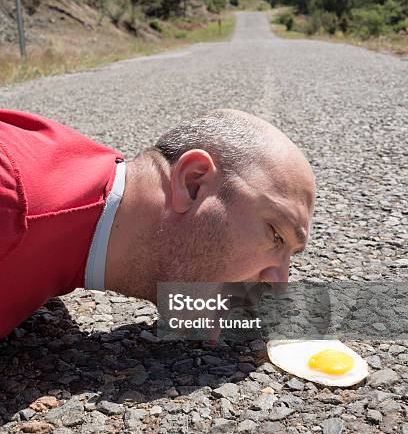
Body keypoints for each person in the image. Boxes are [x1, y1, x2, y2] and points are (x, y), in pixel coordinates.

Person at [0, 108, 315, 339]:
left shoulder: (83, 192)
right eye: (276, 235)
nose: (279, 283)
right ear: (193, 184)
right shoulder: (12, 198)